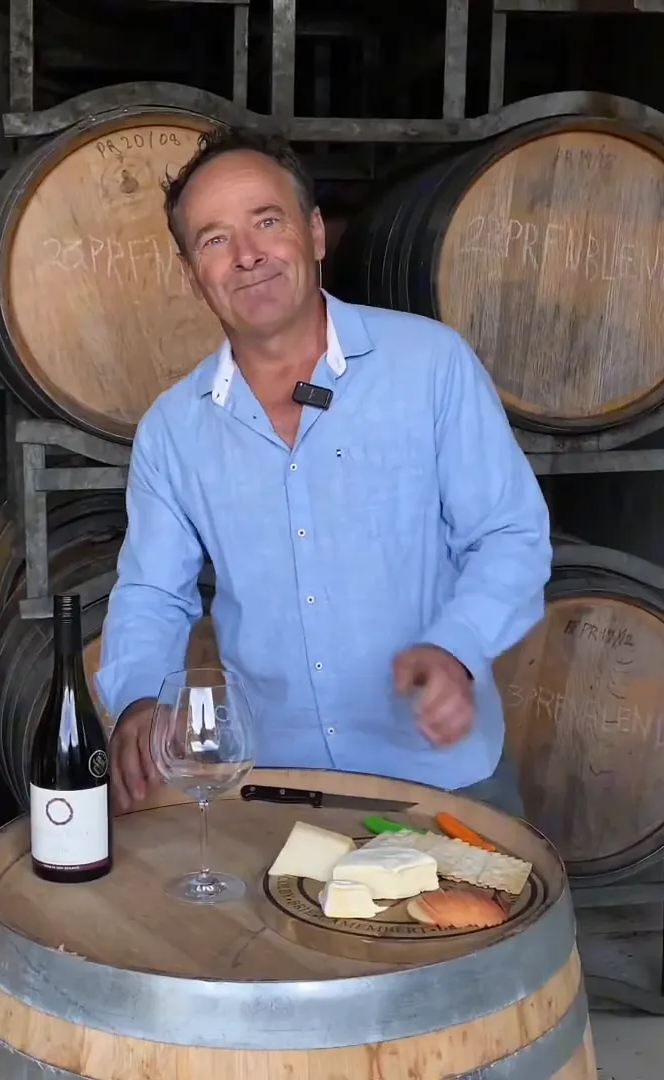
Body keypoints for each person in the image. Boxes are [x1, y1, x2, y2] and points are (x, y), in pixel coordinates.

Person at [94, 126, 552, 817]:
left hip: (440, 781)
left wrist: (457, 649)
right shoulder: (173, 428)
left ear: (313, 234)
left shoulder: (430, 365)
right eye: (214, 240)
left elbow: (510, 535)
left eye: (266, 222)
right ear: (193, 274)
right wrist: (135, 699)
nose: (247, 256)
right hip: (274, 785)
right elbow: (154, 593)